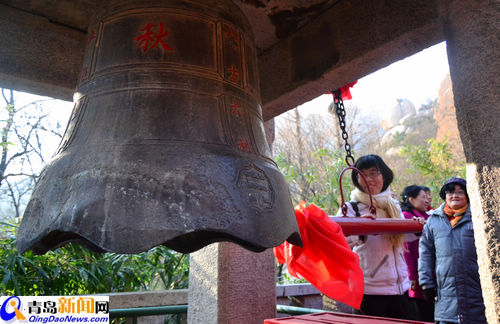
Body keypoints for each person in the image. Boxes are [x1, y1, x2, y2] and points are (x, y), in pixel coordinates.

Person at [336, 154, 416, 320]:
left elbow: (402, 237)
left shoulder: (392, 205)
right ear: (356, 178)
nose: (368, 179)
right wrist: (360, 230)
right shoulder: (351, 208)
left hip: (401, 288)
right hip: (370, 291)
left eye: (374, 173)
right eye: (363, 174)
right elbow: (337, 243)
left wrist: (415, 225)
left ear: (384, 175)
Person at [418, 177, 486, 324]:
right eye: (450, 192)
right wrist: (426, 283)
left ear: (468, 195)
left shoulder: (479, 216)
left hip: (477, 294)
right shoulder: (433, 221)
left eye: (460, 192)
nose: (454, 195)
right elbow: (425, 254)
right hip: (445, 298)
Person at [400, 185, 433, 322]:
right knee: (421, 311)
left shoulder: (426, 216)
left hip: (426, 271)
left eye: (427, 197)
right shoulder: (407, 217)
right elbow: (407, 250)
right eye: (423, 197)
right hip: (417, 274)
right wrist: (412, 276)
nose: (427, 200)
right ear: (411, 199)